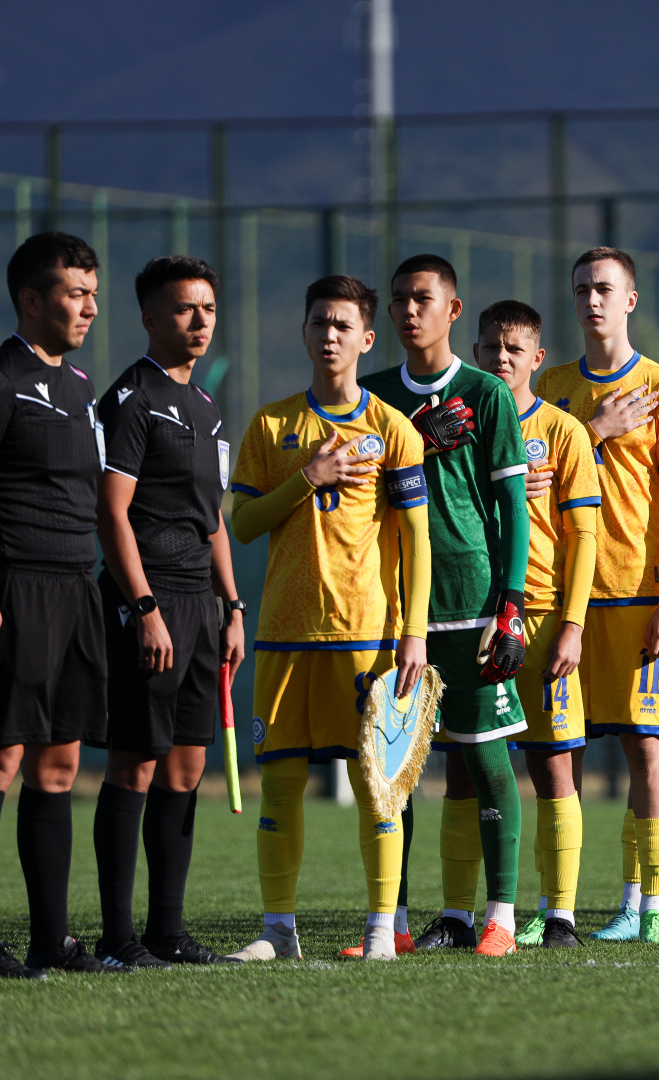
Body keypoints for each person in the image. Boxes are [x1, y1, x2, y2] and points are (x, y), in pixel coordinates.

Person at [224, 274, 429, 963]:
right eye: (320, 323)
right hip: (285, 634)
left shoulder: (393, 428)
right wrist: (307, 477)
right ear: (305, 332)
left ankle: (380, 932)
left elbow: (417, 539)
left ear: (367, 338)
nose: (331, 335)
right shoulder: (272, 424)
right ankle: (278, 930)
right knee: (281, 784)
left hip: (368, 636)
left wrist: (414, 633)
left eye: (344, 325)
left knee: (378, 788)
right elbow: (243, 522)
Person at [360, 255, 531, 957]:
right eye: (399, 299)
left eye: (423, 299)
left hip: (469, 599)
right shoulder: (371, 394)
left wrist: (511, 605)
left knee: (486, 761)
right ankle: (392, 924)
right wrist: (412, 442)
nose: (410, 310)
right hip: (389, 604)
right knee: (389, 770)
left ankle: (501, 918)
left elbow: (513, 504)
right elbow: (360, 491)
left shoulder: (486, 392)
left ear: (453, 310)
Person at [0, 232, 112, 978]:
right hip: (16, 589)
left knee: (60, 764)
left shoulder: (79, 385)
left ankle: (52, 939)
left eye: (92, 293)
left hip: (78, 588)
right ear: (31, 299)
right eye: (75, 293)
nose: (89, 306)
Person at [535, 247, 659, 946]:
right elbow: (531, 481)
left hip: (636, 594)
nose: (591, 300)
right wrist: (591, 433)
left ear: (630, 300)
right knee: (557, 754)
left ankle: (648, 904)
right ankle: (558, 910)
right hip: (561, 597)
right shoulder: (552, 386)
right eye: (581, 290)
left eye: (604, 288)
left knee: (648, 749)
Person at [90, 256, 246, 968]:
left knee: (186, 769)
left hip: (201, 607)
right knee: (135, 767)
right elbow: (111, 512)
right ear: (151, 317)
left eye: (208, 308)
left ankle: (167, 932)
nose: (200, 321)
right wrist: (143, 606)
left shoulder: (208, 406)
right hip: (148, 603)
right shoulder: (131, 398)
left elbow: (213, 520)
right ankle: (117, 938)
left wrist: (232, 607)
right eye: (185, 309)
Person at [469, 300, 600, 949]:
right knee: (468, 769)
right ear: (474, 353)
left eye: (514, 349)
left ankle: (560, 915)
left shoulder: (563, 431)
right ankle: (459, 916)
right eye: (491, 348)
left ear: (536, 358)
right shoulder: (457, 428)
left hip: (542, 617)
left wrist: (572, 624)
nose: (502, 358)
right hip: (470, 617)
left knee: (553, 768)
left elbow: (584, 535)